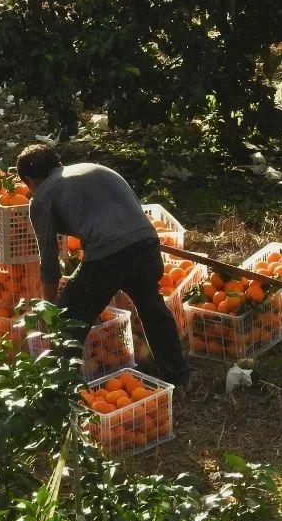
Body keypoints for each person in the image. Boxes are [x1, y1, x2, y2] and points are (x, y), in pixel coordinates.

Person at [17, 143, 191, 388]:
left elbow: (49, 261)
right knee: (151, 305)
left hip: (107, 255)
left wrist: (49, 306)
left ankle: (62, 389)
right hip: (147, 242)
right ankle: (177, 375)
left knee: (69, 320)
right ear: (57, 162)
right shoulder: (95, 169)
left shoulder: (43, 195)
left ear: (28, 180)